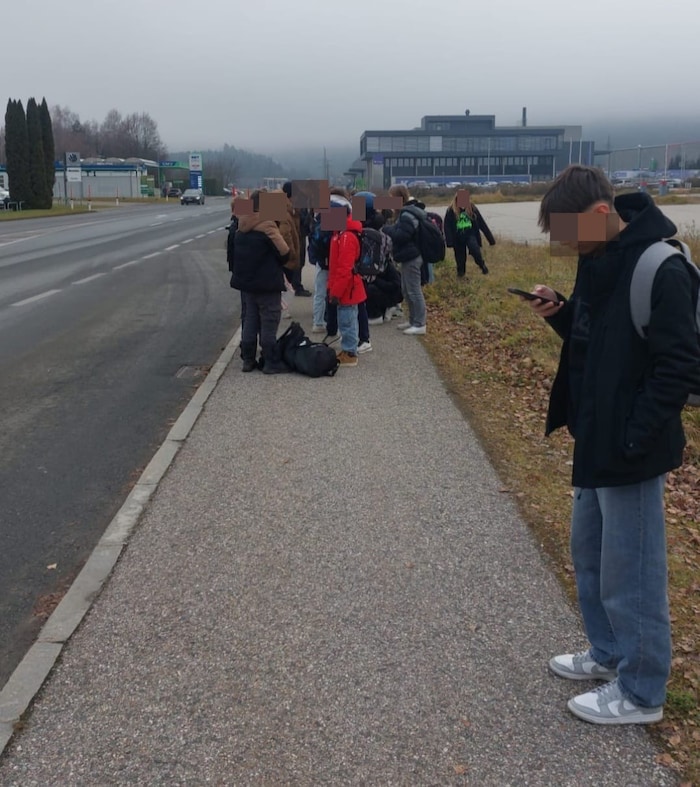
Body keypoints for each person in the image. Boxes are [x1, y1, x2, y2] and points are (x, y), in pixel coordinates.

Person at [524, 164, 700, 725]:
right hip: (595, 438)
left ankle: (643, 691)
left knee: (634, 571)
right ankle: (607, 654)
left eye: (566, 233)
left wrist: (633, 436)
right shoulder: (597, 258)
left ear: (601, 215)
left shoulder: (661, 267)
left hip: (631, 447)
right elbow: (601, 338)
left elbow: (678, 366)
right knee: (592, 557)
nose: (561, 244)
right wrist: (562, 313)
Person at [229, 189, 292, 374]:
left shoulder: (241, 225)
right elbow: (285, 252)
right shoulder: (268, 225)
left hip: (247, 284)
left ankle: (248, 360)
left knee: (250, 320)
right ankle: (270, 362)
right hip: (267, 283)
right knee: (269, 321)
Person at [382, 184, 427, 335]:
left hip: (412, 256)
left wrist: (387, 229)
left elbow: (403, 235)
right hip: (407, 256)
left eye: (390, 197)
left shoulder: (407, 214)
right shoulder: (403, 213)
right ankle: (413, 320)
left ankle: (420, 323)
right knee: (407, 290)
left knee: (414, 290)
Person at [327, 196, 366, 366]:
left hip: (347, 288)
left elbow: (344, 269)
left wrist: (335, 291)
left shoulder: (346, 237)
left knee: (347, 320)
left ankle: (350, 353)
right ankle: (348, 349)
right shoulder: (340, 234)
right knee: (348, 318)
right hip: (345, 286)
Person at [443, 189, 495, 276]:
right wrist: (449, 241)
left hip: (470, 234)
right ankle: (461, 275)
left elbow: (482, 224)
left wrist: (491, 240)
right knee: (460, 258)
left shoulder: (472, 208)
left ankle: (482, 265)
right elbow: (447, 226)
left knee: (475, 251)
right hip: (457, 237)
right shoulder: (451, 210)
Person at [282, 181, 312, 297]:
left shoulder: (298, 202)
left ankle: (294, 285)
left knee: (298, 262)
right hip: (292, 237)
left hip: (297, 235)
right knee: (294, 262)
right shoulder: (291, 203)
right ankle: (295, 286)